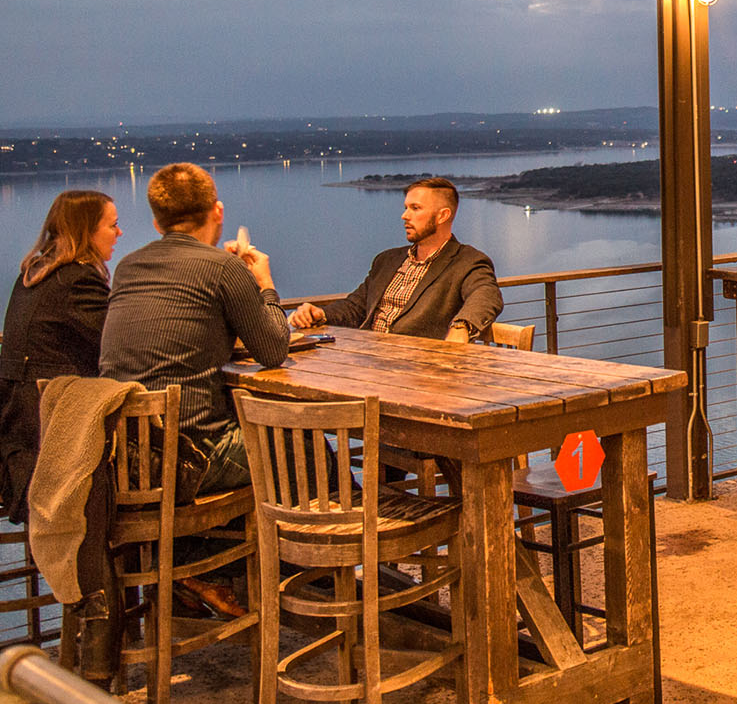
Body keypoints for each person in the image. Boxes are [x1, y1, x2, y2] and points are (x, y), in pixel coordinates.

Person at [100, 162, 290, 500]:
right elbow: (274, 350)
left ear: (157, 222)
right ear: (217, 211)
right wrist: (265, 283)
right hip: (192, 457)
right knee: (302, 444)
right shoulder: (223, 268)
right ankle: (334, 550)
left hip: (126, 455)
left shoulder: (127, 267)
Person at [0, 190, 121, 524]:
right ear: (88, 231)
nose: (119, 233)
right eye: (113, 225)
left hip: (10, 429)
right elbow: (117, 347)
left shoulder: (33, 276)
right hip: (42, 436)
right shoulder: (76, 281)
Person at [289, 177, 502, 342]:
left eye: (415, 208)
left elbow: (486, 295)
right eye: (406, 207)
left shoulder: (468, 262)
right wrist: (321, 314)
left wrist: (461, 328)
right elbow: (356, 307)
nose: (405, 216)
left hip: (418, 373)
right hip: (370, 361)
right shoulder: (387, 260)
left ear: (442, 216)